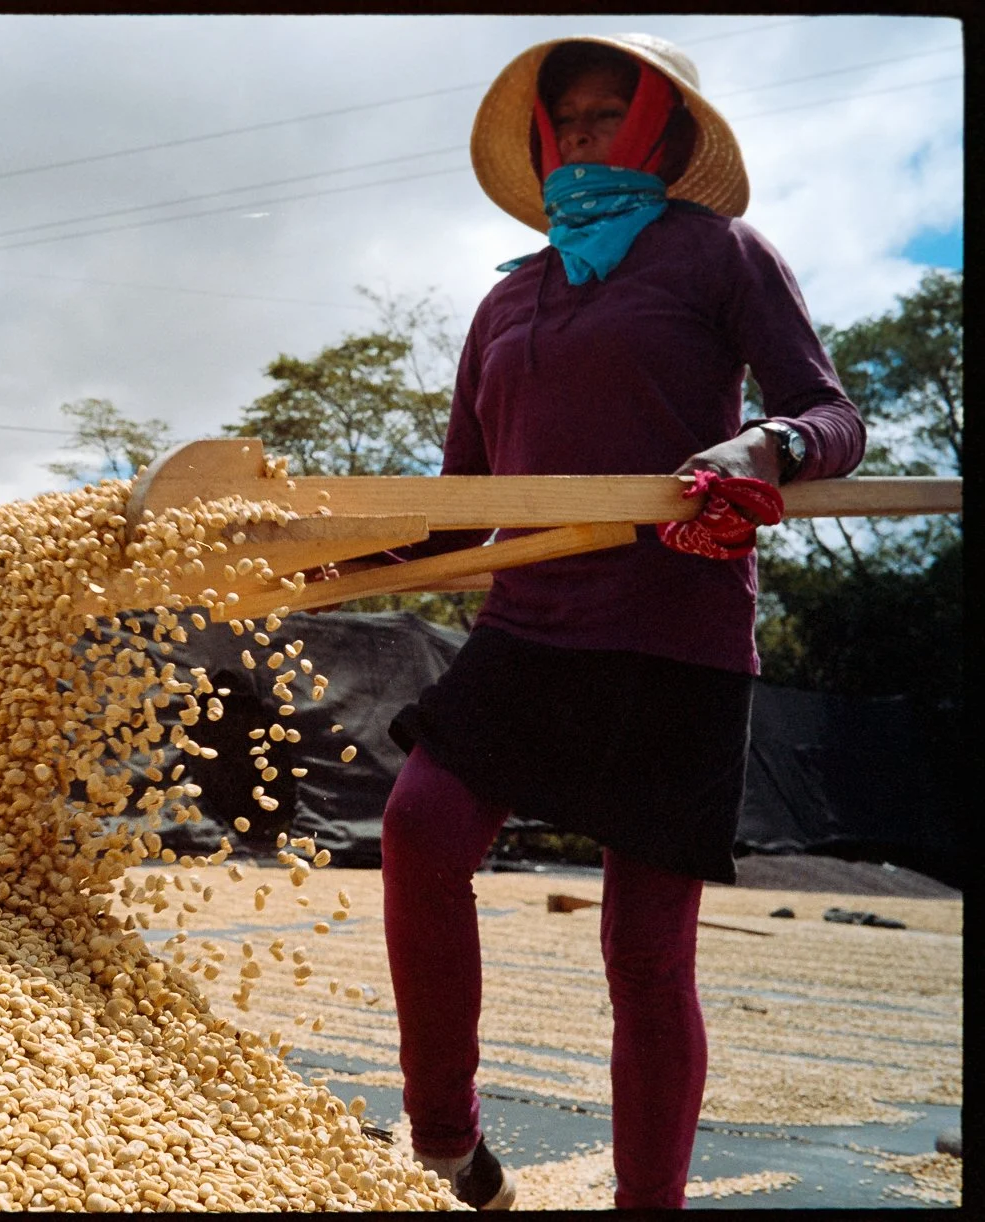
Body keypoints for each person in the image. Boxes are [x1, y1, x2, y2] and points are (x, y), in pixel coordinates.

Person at [364, 34, 866, 1210]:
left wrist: (766, 449)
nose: (584, 137)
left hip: (672, 632)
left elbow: (828, 415)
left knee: (642, 952)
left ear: (657, 136)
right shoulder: (505, 300)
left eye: (607, 116)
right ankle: (446, 1140)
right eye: (569, 122)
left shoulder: (717, 256)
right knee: (418, 829)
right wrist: (301, 538)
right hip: (529, 624)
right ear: (544, 143)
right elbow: (459, 509)